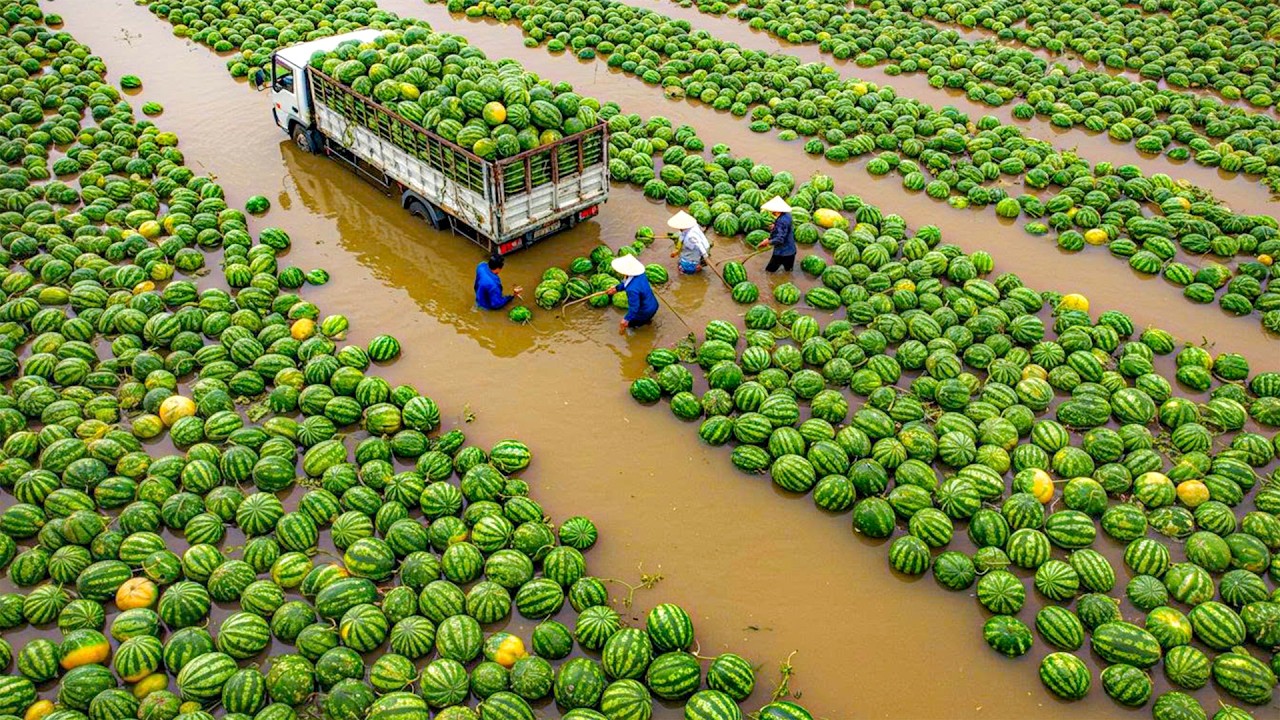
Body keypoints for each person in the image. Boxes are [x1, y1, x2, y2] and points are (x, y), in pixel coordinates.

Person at [606, 254, 658, 334]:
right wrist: (616, 289)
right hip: (653, 304)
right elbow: (627, 283)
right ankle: (647, 322)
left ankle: (633, 335)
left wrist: (626, 319)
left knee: (631, 325)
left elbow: (634, 307)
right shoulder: (641, 274)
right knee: (646, 319)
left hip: (644, 311)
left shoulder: (631, 290)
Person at [757, 196, 796, 272]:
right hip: (791, 250)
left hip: (782, 252)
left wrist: (768, 242)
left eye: (772, 210)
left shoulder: (781, 221)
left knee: (769, 272)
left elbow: (780, 239)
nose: (771, 212)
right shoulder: (787, 215)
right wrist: (775, 226)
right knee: (788, 271)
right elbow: (786, 228)